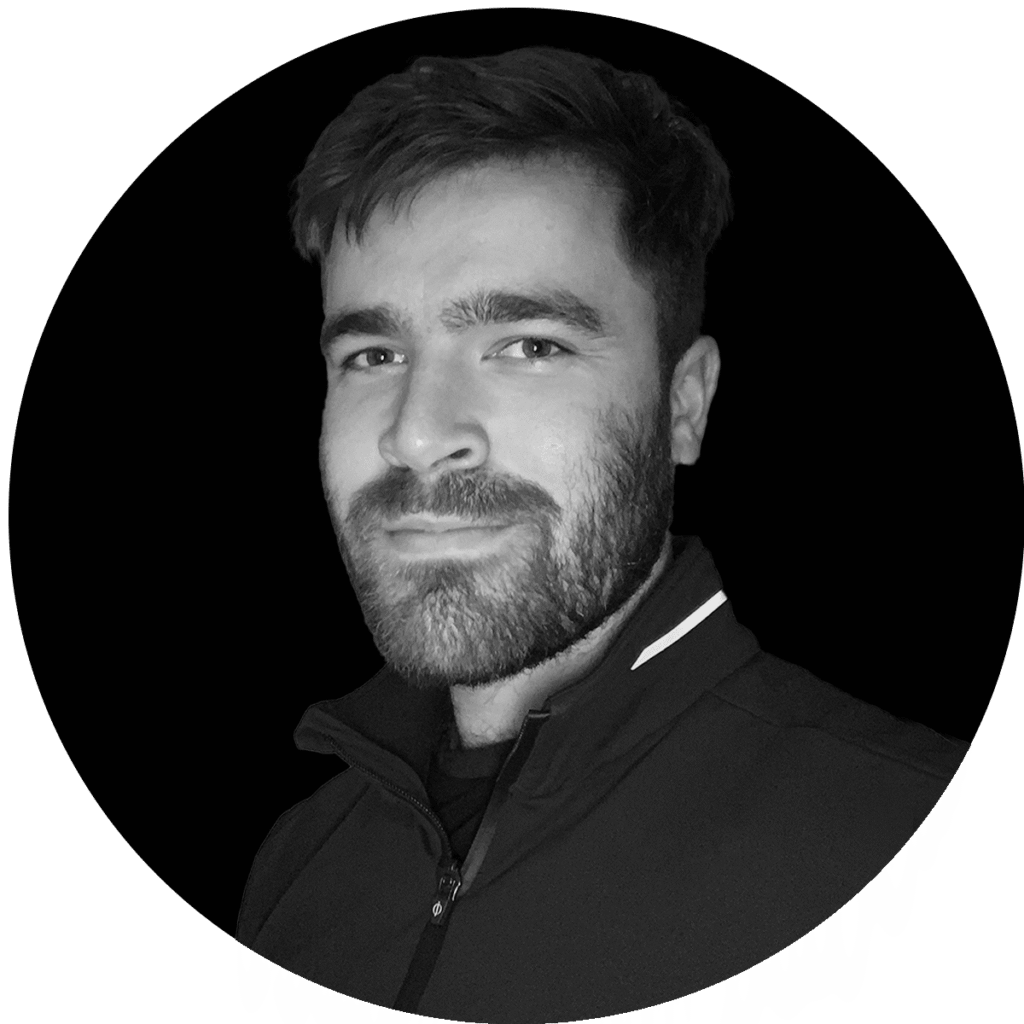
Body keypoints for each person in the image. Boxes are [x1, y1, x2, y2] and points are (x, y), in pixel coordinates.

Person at [236, 46, 969, 1021]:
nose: (415, 434)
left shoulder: (894, 826)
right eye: (373, 353)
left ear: (683, 405)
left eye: (527, 345)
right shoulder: (298, 863)